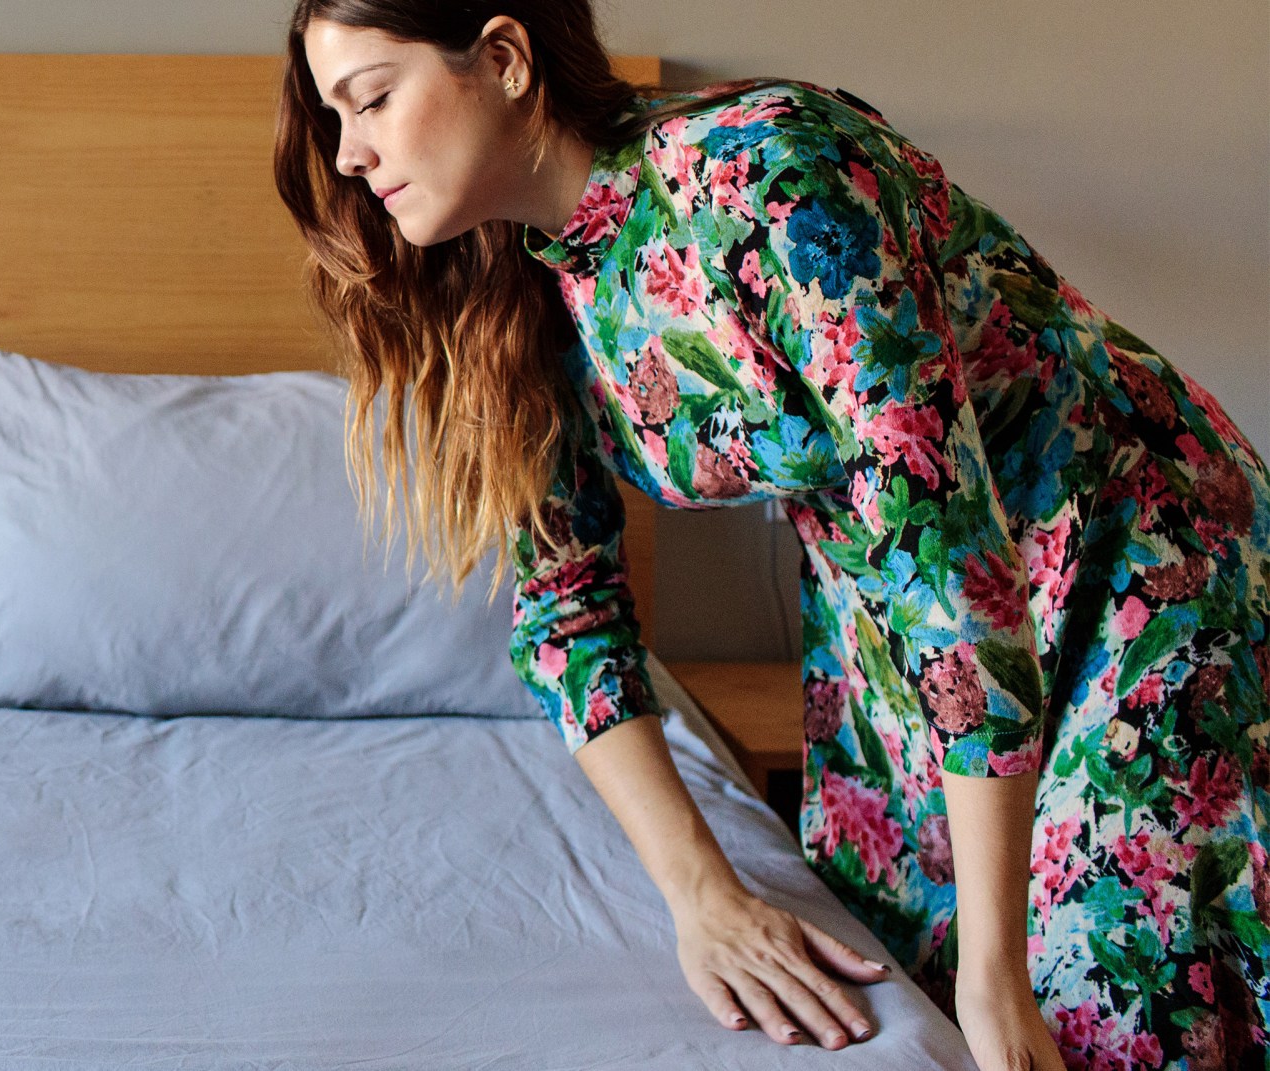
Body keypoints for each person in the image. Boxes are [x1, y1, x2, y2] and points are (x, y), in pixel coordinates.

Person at [271, 2, 1270, 1069]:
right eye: (336, 116)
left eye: (372, 98)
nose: (351, 153)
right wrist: (704, 896)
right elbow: (570, 618)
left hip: (1134, 567)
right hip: (897, 626)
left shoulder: (768, 175)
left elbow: (942, 537)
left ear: (507, 59)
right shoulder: (516, 288)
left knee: (1095, 1004)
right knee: (917, 988)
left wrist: (998, 968)